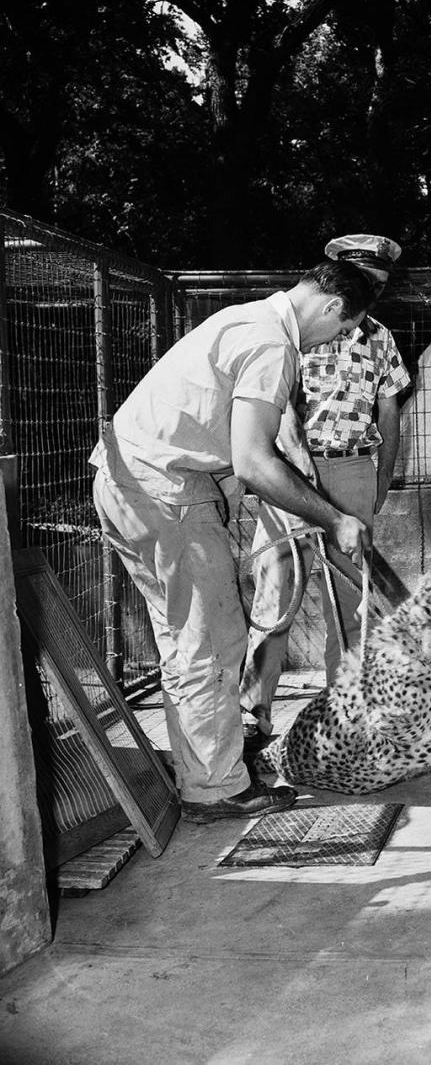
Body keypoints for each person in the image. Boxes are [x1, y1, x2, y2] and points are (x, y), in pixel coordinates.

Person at [90, 262, 378, 822]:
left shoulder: (241, 320)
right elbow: (252, 460)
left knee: (183, 640)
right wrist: (335, 519)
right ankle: (217, 789)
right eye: (342, 330)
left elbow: (251, 437)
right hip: (167, 492)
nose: (336, 340)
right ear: (333, 308)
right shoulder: (274, 345)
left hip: (130, 480)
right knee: (213, 643)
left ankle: (206, 771)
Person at [240, 234, 411, 753]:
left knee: (354, 603)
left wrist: (380, 480)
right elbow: (281, 406)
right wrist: (298, 466)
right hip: (292, 474)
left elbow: (389, 412)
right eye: (364, 279)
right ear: (337, 275)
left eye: (380, 284)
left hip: (354, 470)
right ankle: (254, 718)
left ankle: (347, 717)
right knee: (277, 596)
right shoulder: (295, 333)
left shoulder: (379, 337)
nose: (373, 291)